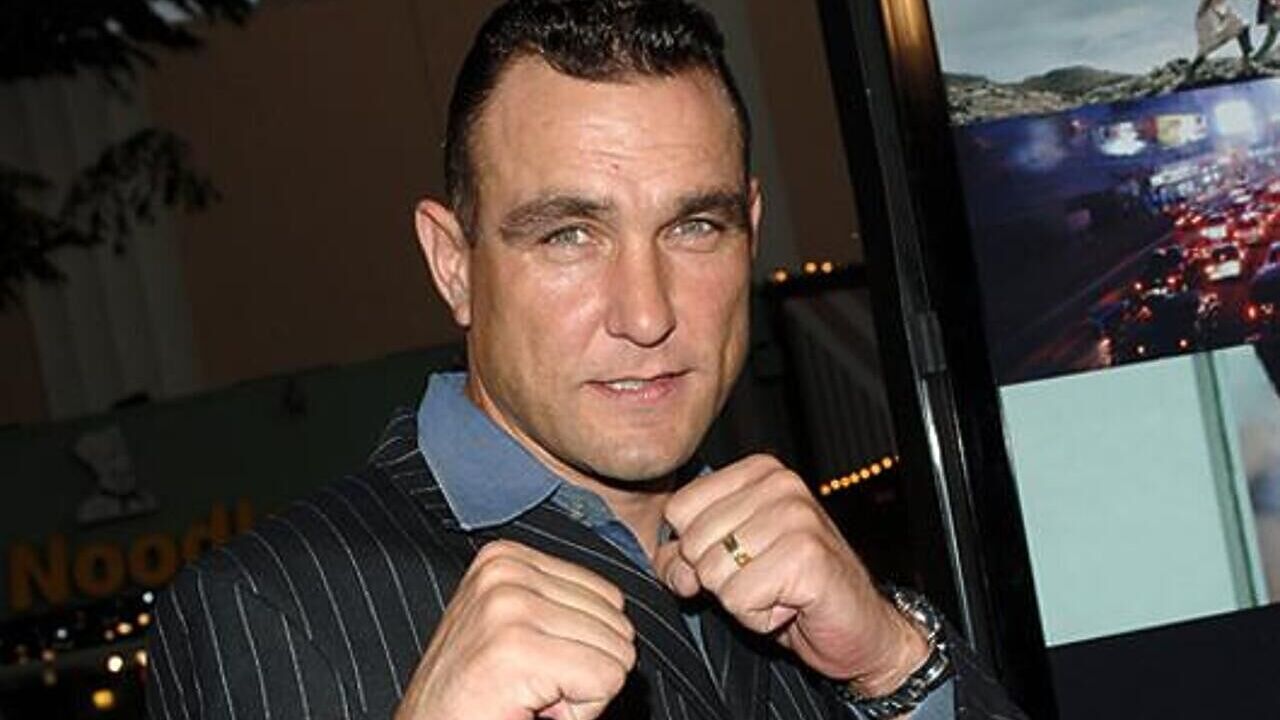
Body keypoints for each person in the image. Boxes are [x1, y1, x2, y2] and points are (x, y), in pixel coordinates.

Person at [144, 1, 1026, 719]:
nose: (647, 314)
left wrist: (892, 665)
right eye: (569, 235)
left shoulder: (805, 569)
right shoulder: (270, 607)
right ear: (454, 266)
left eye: (694, 226)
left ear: (751, 233)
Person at [1186, 0, 1255, 81]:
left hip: (1217, 23)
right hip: (1210, 26)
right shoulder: (1207, 10)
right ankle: (1190, 72)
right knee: (1205, 49)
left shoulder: (1220, 7)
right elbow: (1206, 11)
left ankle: (1246, 63)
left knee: (1242, 26)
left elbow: (1225, 14)